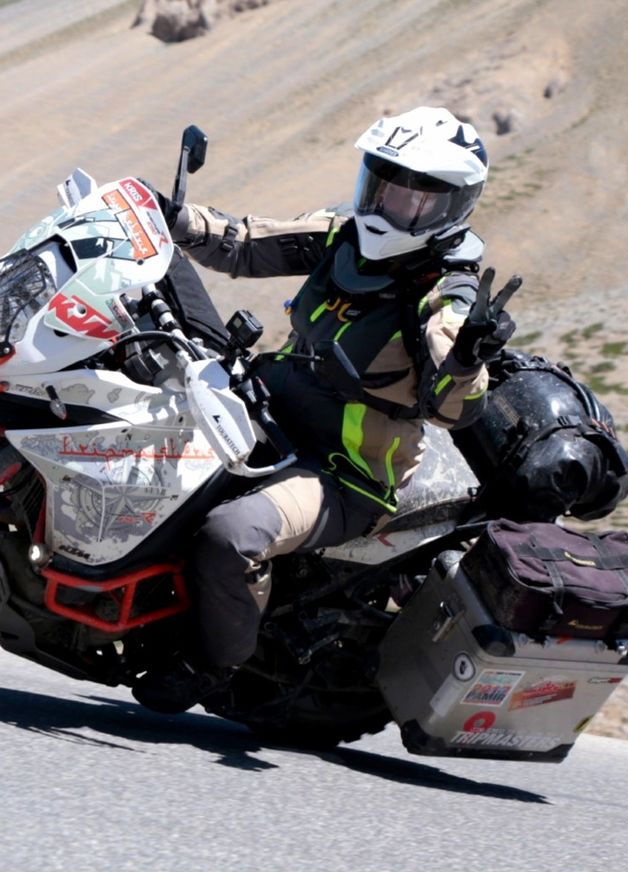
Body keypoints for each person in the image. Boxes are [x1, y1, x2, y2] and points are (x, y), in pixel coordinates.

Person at [132, 106, 518, 713]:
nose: (388, 203)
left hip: (344, 473)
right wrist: (172, 217)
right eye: (382, 183)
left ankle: (212, 664)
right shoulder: (344, 235)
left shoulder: (447, 291)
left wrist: (469, 357)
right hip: (265, 412)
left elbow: (454, 408)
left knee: (230, 535)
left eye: (412, 196)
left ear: (451, 206)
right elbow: (245, 245)